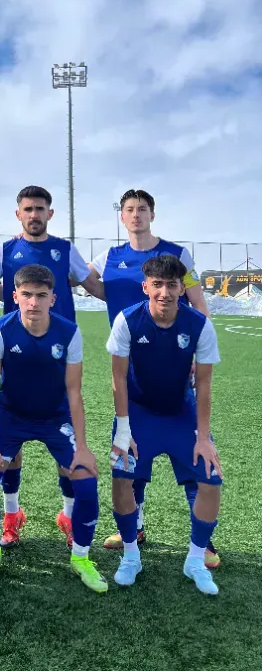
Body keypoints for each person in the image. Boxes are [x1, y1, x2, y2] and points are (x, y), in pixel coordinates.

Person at [0, 185, 103, 549]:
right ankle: (12, 514)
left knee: (62, 438)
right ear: (18, 214)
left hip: (59, 351)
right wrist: (16, 301)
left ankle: (68, 515)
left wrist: (142, 296)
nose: (34, 214)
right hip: (17, 348)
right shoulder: (6, 250)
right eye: (28, 209)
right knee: (12, 437)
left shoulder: (65, 250)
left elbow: (93, 285)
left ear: (49, 213)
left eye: (40, 209)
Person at [90, 189, 218, 566]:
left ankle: (204, 542)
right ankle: (135, 527)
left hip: (174, 356)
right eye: (129, 209)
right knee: (133, 453)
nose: (136, 215)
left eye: (142, 209)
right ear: (121, 216)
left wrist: (197, 352)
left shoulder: (178, 255)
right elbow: (85, 282)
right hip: (133, 361)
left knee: (194, 457)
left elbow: (198, 303)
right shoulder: (108, 257)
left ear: (152, 214)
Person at [0, 264, 106, 591]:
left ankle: (81, 558)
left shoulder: (69, 332)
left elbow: (74, 392)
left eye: (41, 295)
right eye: (27, 295)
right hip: (12, 417)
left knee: (87, 482)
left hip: (56, 419)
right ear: (15, 296)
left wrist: (83, 447)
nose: (33, 302)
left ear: (53, 299)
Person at [108, 254, 222, 594]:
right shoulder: (127, 320)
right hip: (139, 413)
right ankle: (131, 555)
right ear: (146, 287)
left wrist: (204, 437)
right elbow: (118, 378)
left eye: (172, 285)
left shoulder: (199, 324)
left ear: (181, 289)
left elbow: (204, 383)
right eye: (157, 285)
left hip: (179, 413)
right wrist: (123, 430)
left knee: (211, 478)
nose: (165, 292)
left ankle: (195, 559)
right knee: (121, 477)